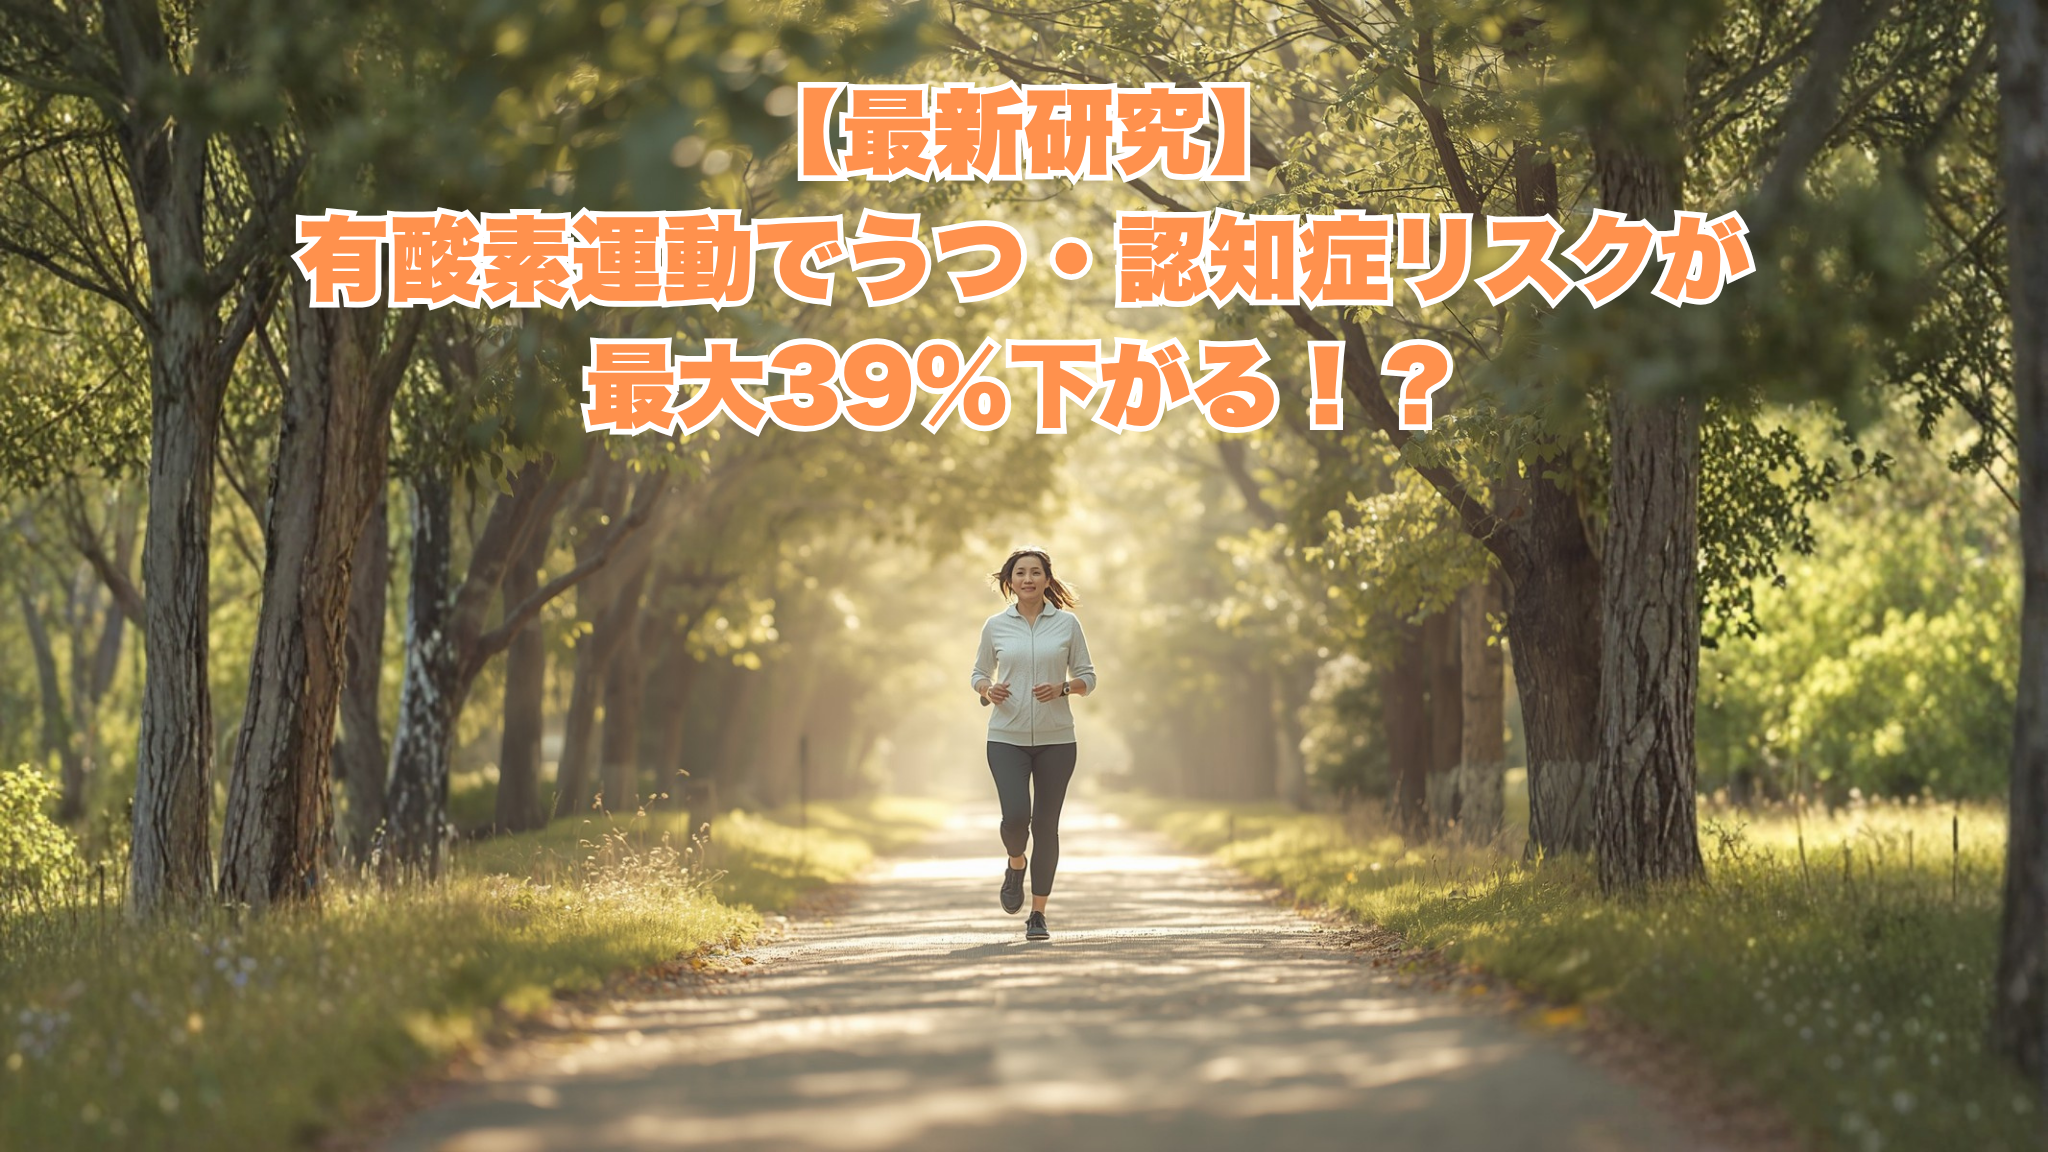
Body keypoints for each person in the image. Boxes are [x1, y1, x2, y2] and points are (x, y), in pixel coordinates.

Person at [970, 546, 1096, 941]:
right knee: (1015, 818)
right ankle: (1015, 863)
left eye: (1035, 572)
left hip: (1057, 741)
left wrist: (1063, 688)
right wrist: (988, 690)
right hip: (1005, 738)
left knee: (1045, 826)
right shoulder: (995, 626)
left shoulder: (1067, 624)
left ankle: (1038, 914)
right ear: (1010, 581)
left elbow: (1088, 677)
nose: (1028, 578)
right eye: (1020, 572)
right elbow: (978, 674)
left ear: (1047, 579)